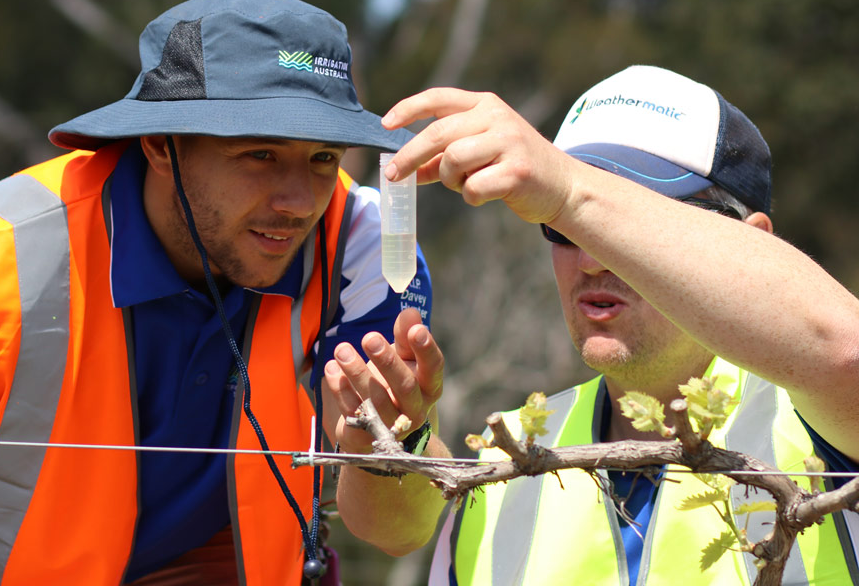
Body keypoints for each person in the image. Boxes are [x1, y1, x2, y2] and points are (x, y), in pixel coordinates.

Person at [0, 0, 449, 585]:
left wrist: (394, 445)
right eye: (260, 153)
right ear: (160, 144)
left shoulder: (362, 246)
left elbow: (398, 533)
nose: (299, 202)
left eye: (323, 156)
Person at [358, 65, 859, 584]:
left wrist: (571, 193)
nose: (594, 259)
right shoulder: (506, 453)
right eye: (564, 226)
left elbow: (847, 352)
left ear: (754, 240)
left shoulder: (818, 418)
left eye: (637, 224)